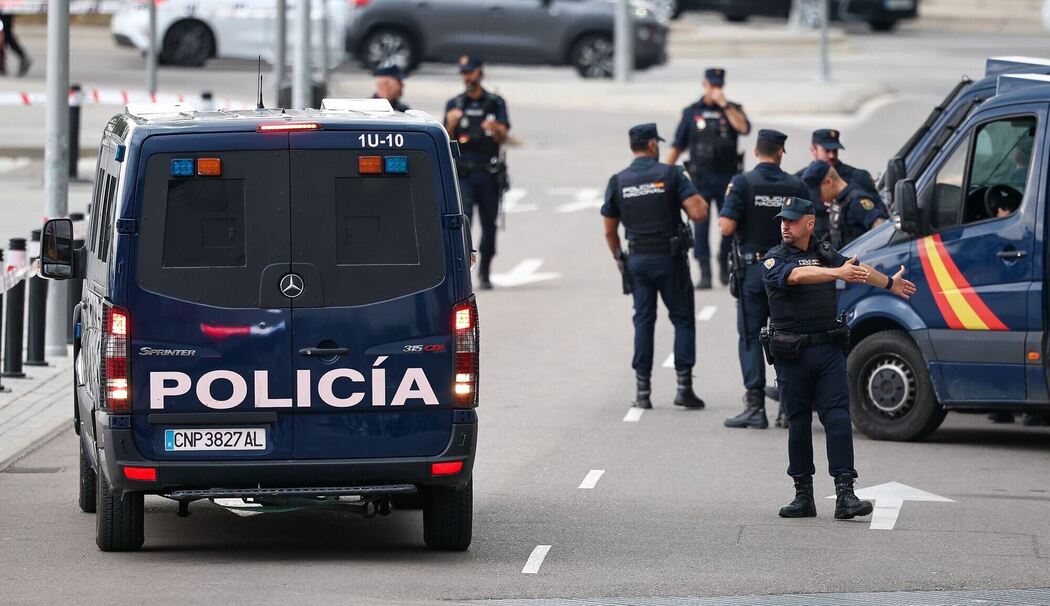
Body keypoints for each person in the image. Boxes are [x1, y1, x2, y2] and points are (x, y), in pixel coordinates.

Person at [761, 197, 917, 519]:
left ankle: (846, 493)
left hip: (828, 350)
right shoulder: (775, 259)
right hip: (793, 353)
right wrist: (836, 272)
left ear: (810, 223)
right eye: (782, 220)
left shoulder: (824, 252)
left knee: (837, 418)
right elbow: (796, 278)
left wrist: (890, 283)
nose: (784, 225)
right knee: (800, 423)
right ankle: (803, 495)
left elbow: (855, 270)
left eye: (791, 220)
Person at [601, 123, 709, 410]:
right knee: (683, 319)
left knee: (643, 321)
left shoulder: (618, 180)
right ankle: (684, 387)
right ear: (652, 145)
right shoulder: (671, 174)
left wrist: (618, 257)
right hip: (670, 259)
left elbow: (610, 230)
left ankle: (642, 391)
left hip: (637, 260)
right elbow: (699, 213)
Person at [721, 129, 808, 430]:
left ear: (756, 152)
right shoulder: (796, 184)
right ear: (781, 152)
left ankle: (755, 407)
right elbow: (809, 228)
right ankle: (787, 406)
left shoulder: (742, 183)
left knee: (750, 337)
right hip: (788, 270)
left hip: (754, 271)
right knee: (787, 336)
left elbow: (726, 226)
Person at [667, 68, 751, 289]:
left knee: (729, 223)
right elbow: (678, 144)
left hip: (727, 177)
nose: (715, 90)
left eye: (718, 86)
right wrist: (664, 173)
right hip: (700, 178)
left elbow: (743, 128)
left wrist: (725, 105)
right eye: (711, 85)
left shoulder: (733, 110)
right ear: (704, 84)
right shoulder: (692, 112)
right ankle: (704, 270)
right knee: (700, 226)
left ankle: (724, 262)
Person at [444, 56, 510, 289]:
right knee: (464, 224)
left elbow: (504, 138)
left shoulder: (495, 102)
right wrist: (451, 124)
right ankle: (463, 271)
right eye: (463, 73)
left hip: (488, 173)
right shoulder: (455, 103)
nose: (467, 77)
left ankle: (485, 271)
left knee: (489, 224)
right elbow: (447, 140)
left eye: (470, 72)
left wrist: (495, 130)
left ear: (480, 72)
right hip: (464, 174)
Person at [802, 160, 888, 250]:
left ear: (829, 182)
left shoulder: (856, 200)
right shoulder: (838, 201)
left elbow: (883, 230)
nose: (818, 198)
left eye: (818, 193)